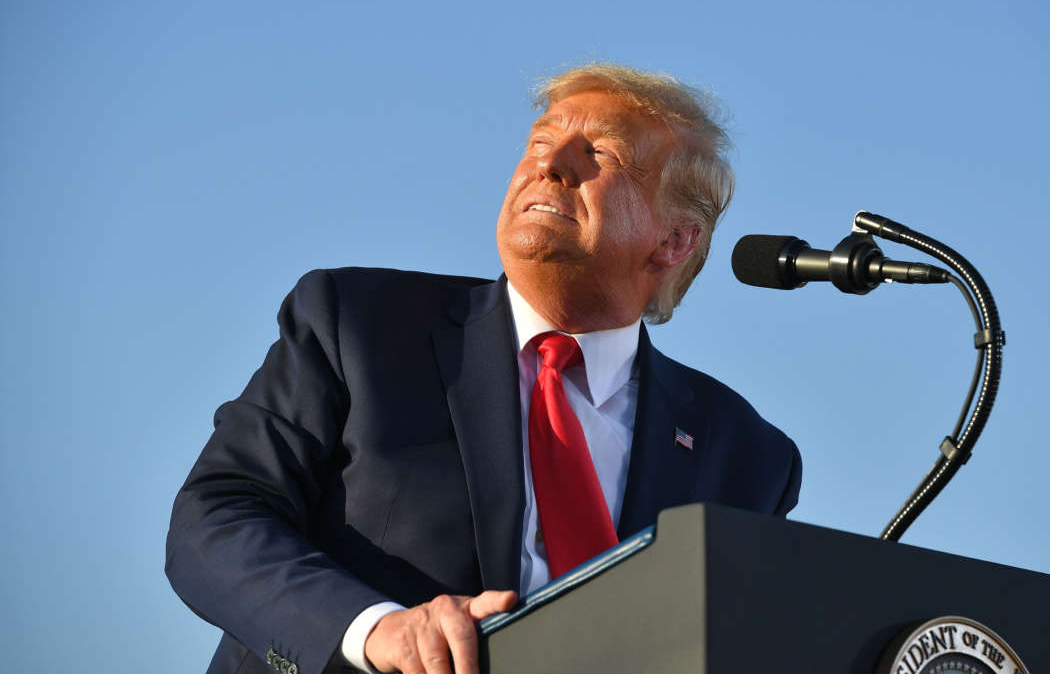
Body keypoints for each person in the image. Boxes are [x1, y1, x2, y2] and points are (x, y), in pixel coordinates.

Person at [166, 64, 801, 674]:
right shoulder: (358, 323)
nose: (548, 166)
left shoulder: (746, 455)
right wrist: (376, 629)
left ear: (674, 241)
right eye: (541, 141)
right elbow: (216, 518)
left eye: (599, 156)